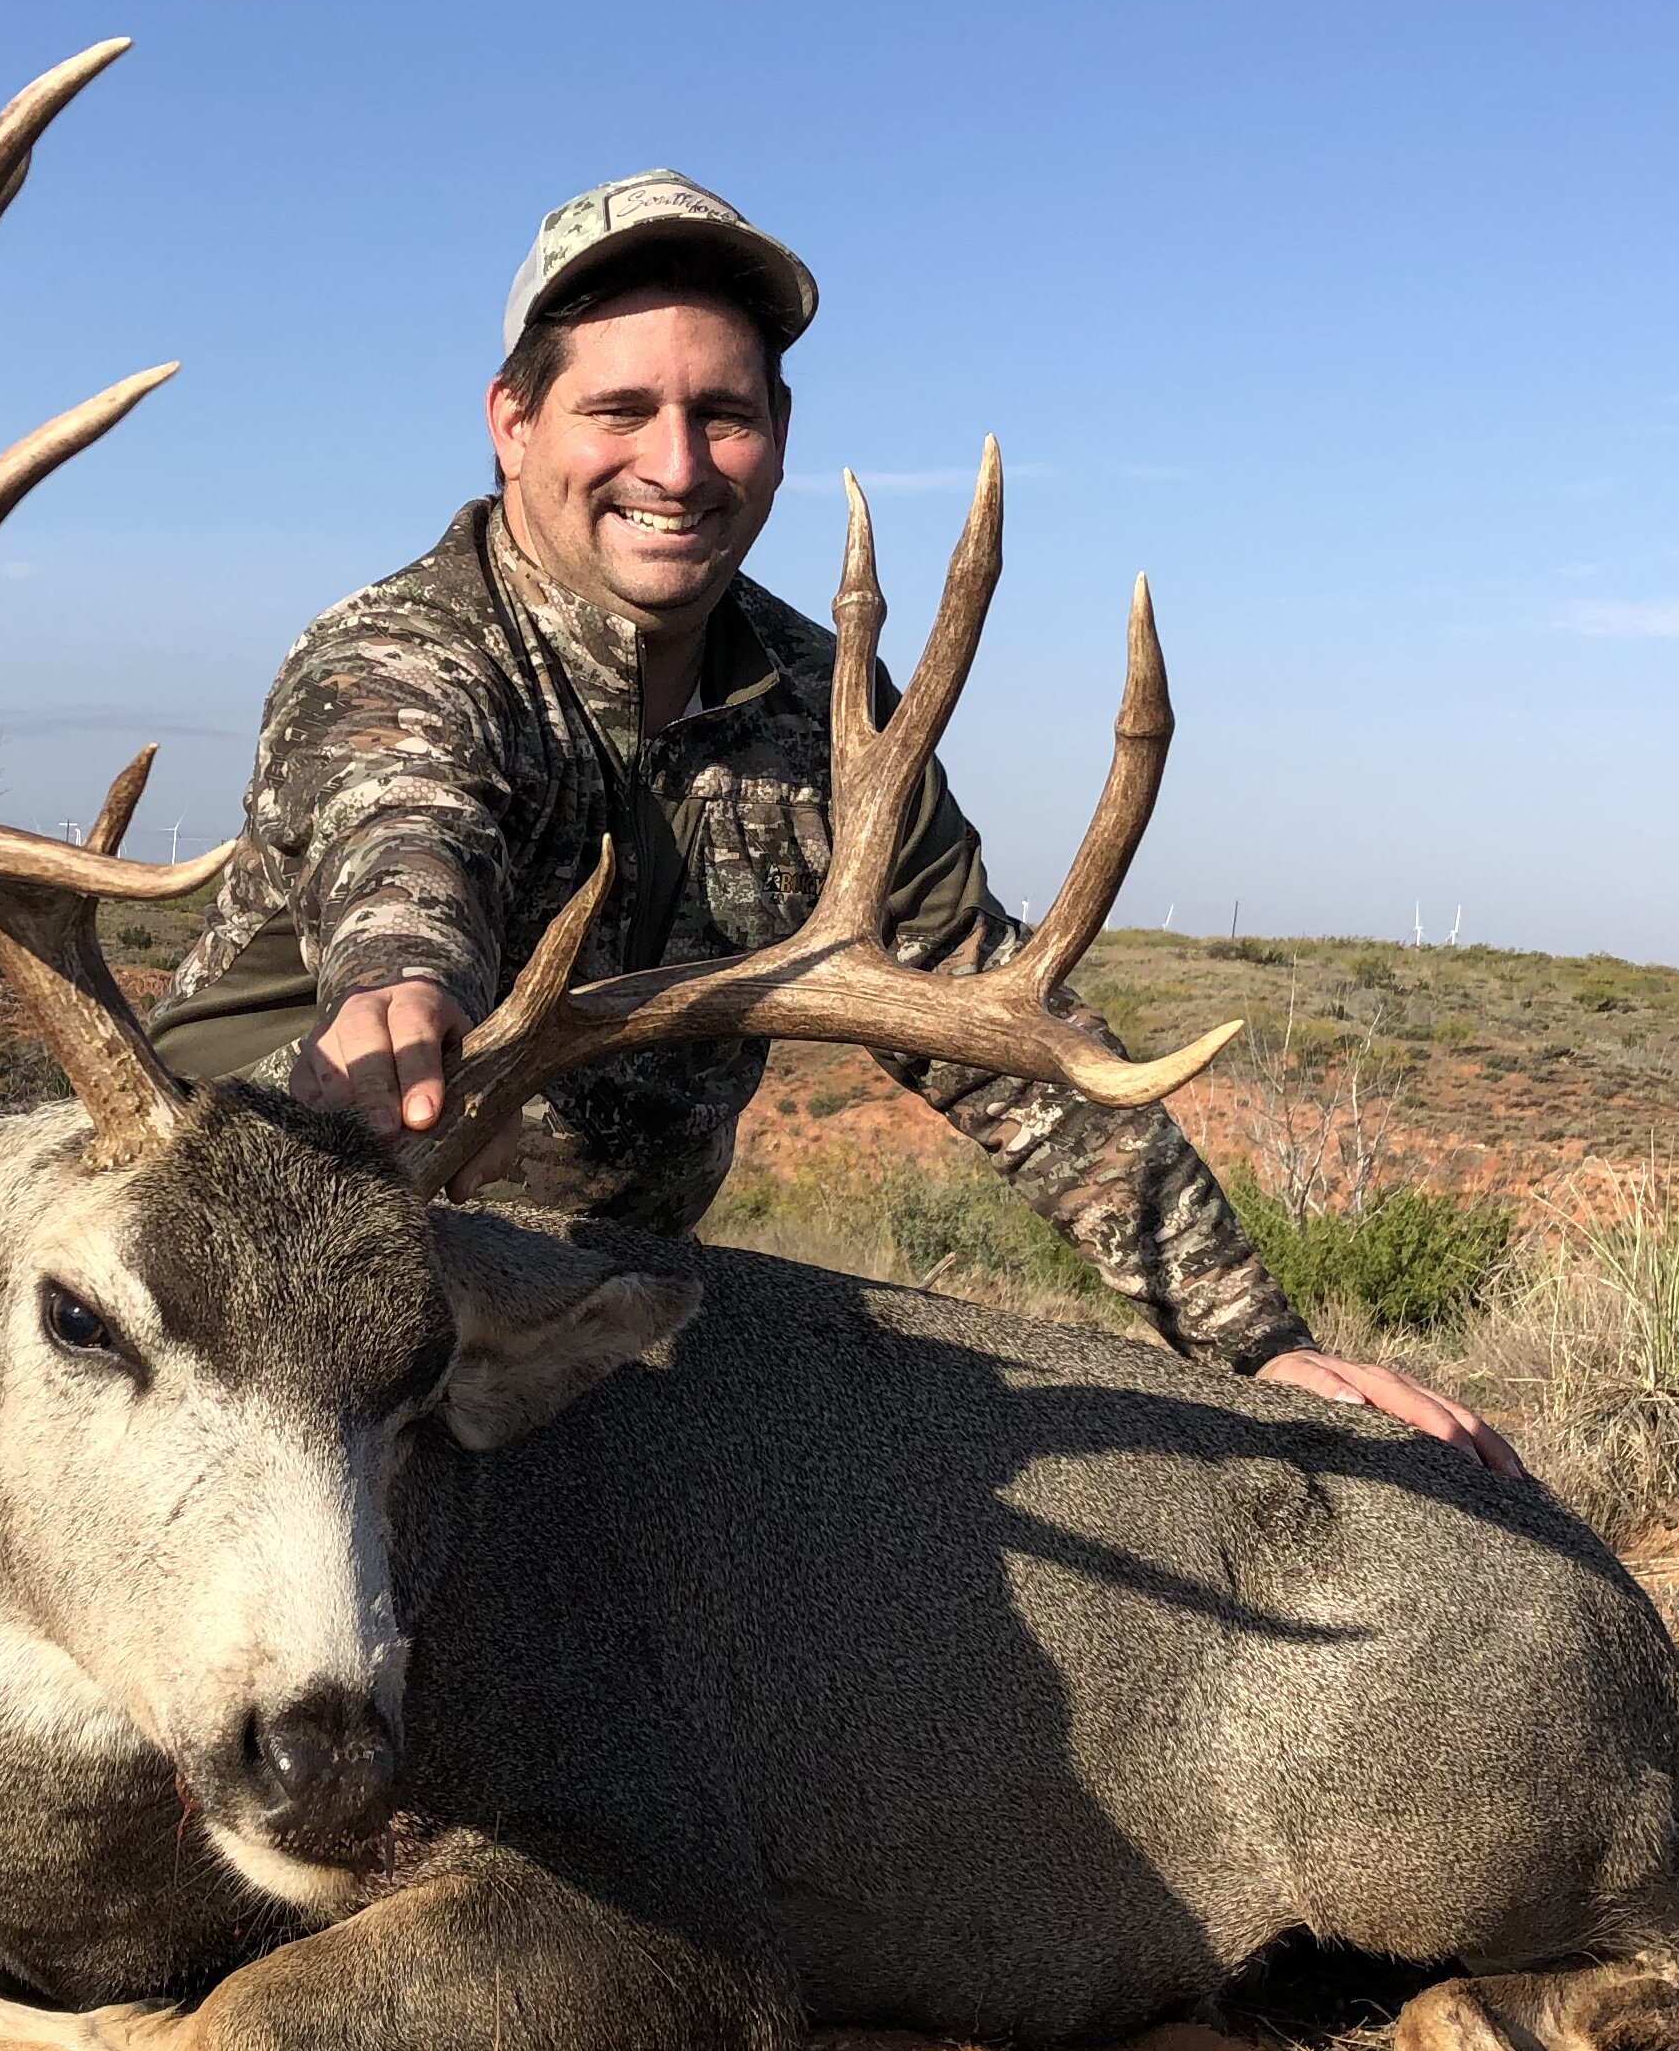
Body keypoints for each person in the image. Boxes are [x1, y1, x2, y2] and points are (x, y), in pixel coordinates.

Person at [149, 168, 1513, 1467]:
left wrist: (1263, 1350)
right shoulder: (402, 656)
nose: (677, 467)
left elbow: (1009, 1043)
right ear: (513, 423)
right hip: (229, 1253)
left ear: (780, 440)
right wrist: (402, 990)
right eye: (618, 411)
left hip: (588, 1321)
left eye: (723, 415)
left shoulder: (838, 727)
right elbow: (402, 827)